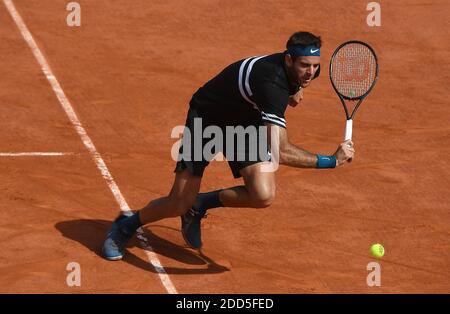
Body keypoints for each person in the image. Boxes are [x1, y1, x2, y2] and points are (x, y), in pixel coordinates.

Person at [102, 31, 355, 260]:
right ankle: (125, 224)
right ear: (288, 59)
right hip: (208, 118)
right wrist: (331, 161)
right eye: (304, 66)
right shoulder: (271, 84)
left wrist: (296, 88)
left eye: (314, 66)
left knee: (262, 195)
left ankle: (199, 205)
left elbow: (291, 85)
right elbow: (282, 151)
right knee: (178, 201)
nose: (310, 72)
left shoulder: (299, 70)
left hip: (245, 123)